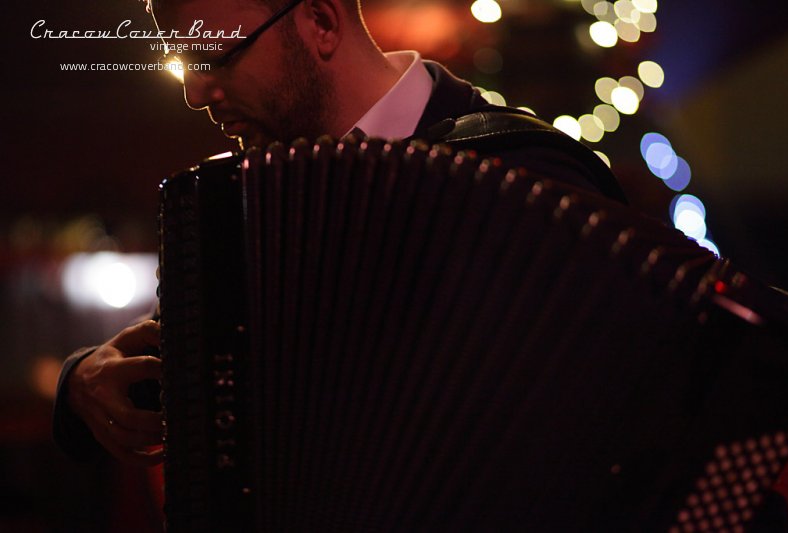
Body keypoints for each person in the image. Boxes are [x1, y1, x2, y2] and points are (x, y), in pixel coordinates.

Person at [53, 0, 627, 465]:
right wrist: (83, 378)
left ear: (322, 22)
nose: (195, 94)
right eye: (184, 65)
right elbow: (192, 376)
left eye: (215, 58)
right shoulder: (237, 202)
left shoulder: (522, 178)